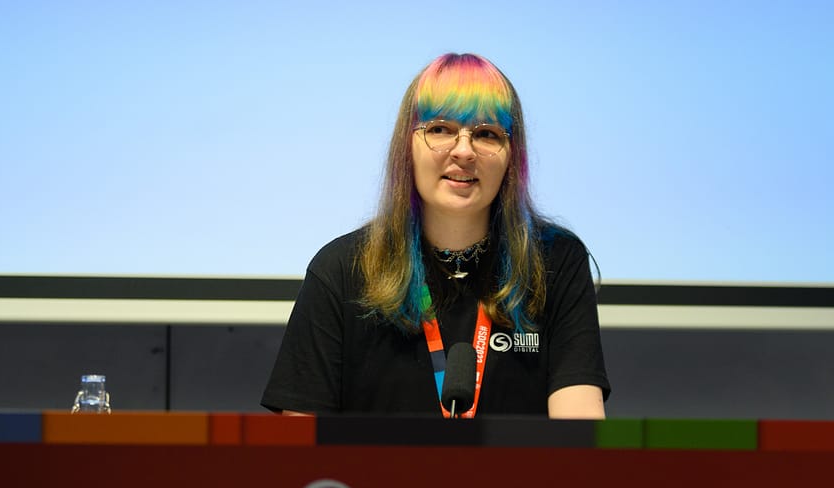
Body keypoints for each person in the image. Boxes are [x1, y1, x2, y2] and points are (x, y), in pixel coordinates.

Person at [261, 53, 609, 418]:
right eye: (440, 129)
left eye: (486, 134)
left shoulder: (553, 263)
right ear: (406, 146)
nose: (463, 151)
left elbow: (579, 440)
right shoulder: (341, 269)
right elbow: (299, 456)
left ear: (511, 157)